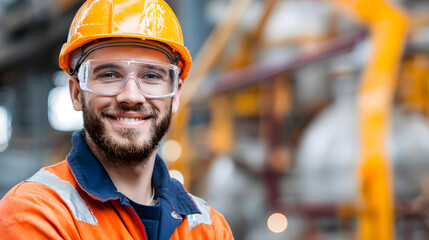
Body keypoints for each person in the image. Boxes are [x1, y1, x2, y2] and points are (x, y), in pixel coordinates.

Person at [0, 0, 234, 239]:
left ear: (175, 95)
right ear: (76, 93)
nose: (131, 96)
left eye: (151, 76)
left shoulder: (210, 227)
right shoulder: (35, 212)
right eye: (109, 74)